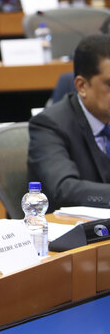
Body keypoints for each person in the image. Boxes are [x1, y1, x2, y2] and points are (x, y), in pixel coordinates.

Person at [28, 35, 110, 208]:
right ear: (81, 86)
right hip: (72, 230)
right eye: (109, 84)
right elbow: (64, 189)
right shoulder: (49, 125)